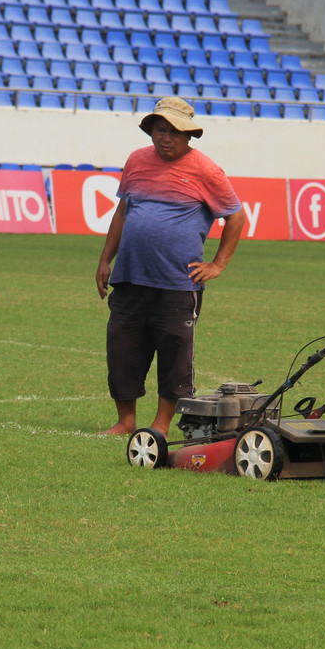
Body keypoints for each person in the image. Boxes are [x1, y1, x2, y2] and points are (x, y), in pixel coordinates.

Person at [96, 97, 246, 436]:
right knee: (122, 350)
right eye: (160, 129)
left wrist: (218, 264)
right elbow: (123, 212)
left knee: (174, 356)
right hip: (131, 276)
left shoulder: (207, 170)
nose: (166, 137)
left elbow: (236, 217)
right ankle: (125, 421)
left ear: (189, 135)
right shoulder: (136, 160)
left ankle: (161, 425)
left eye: (175, 132)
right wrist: (106, 259)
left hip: (179, 283)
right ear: (151, 130)